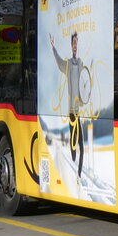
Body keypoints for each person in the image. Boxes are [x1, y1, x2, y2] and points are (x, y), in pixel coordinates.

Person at [49, 31, 87, 176]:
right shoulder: (68, 65)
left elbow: (85, 87)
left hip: (80, 112)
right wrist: (53, 48)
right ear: (71, 46)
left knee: (82, 145)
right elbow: (59, 62)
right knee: (73, 144)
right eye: (73, 43)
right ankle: (74, 172)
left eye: (77, 42)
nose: (75, 45)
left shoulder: (82, 64)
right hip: (72, 112)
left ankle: (78, 175)